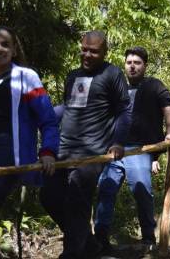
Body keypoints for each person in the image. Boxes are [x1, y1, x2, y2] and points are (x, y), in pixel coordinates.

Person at [39, 31, 131, 259]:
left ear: (104, 52)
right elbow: (69, 107)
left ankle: (72, 253)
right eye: (84, 49)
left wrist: (118, 142)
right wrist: (42, 115)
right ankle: (89, 245)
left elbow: (123, 111)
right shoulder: (72, 76)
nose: (87, 54)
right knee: (48, 196)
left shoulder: (112, 74)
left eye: (94, 51)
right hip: (63, 149)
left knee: (77, 200)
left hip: (92, 152)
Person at [0, 26, 59, 258]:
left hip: (5, 149)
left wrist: (48, 150)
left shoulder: (25, 76)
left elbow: (48, 119)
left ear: (14, 50)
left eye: (5, 44)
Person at [94, 46, 170, 249]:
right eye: (129, 62)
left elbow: (167, 107)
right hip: (114, 149)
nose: (132, 67)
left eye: (137, 63)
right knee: (106, 189)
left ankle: (148, 237)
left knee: (142, 191)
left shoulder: (154, 85)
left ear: (145, 65)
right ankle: (100, 237)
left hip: (140, 149)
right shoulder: (118, 87)